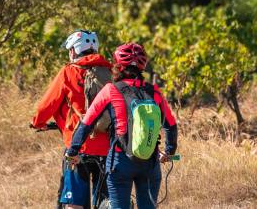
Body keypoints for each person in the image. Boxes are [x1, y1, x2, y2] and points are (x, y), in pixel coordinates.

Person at [66, 43, 178, 209]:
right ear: (142, 67)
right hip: (150, 161)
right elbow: (171, 125)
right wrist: (169, 152)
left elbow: (87, 122)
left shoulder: (110, 90)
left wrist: (72, 151)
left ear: (117, 66)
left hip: (120, 161)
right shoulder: (154, 91)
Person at [32, 30, 113, 209]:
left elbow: (47, 105)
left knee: (74, 203)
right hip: (107, 148)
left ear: (74, 51)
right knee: (106, 202)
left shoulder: (69, 72)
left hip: (78, 147)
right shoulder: (110, 72)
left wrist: (38, 122)